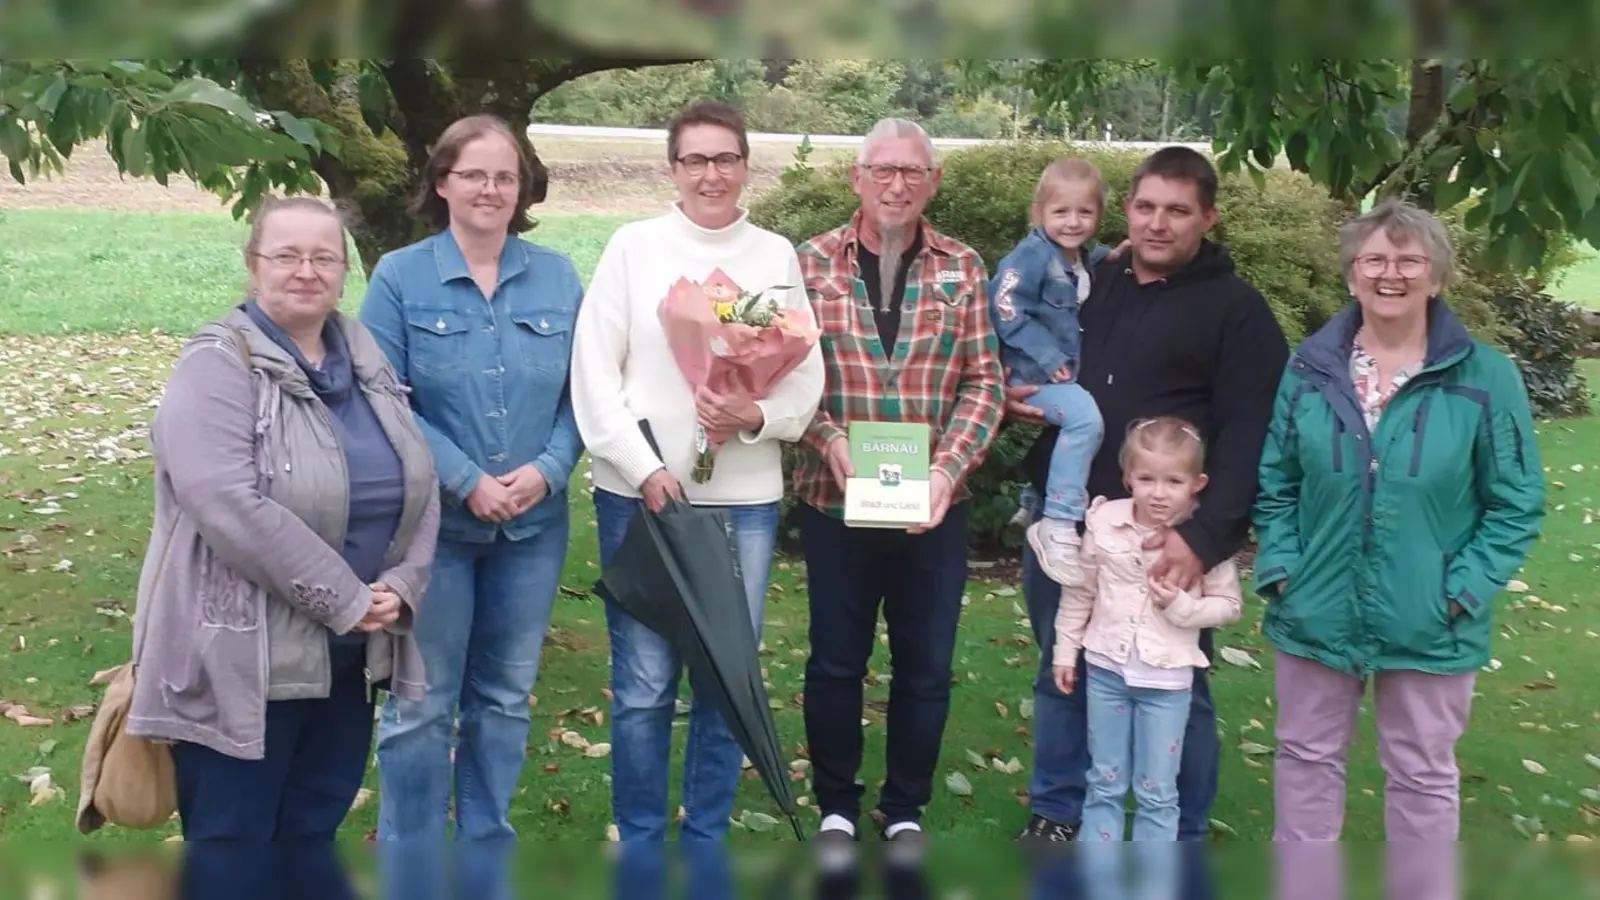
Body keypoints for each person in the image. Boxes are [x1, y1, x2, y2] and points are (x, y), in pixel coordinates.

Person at [123, 196, 439, 879]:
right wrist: (345, 599)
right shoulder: (218, 363)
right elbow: (225, 502)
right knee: (233, 845)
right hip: (240, 661)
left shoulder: (364, 356)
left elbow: (419, 475)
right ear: (253, 265)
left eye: (324, 256)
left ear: (345, 270)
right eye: (287, 255)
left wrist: (402, 585)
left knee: (309, 837)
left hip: (345, 662)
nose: (306, 271)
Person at [1008, 146, 1289, 843]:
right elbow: (1029, 338)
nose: (1158, 224)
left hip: (1164, 535)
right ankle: (1058, 812)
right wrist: (1020, 394)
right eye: (1145, 207)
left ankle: (1181, 833)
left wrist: (1204, 539)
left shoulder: (1238, 312)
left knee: (1177, 683)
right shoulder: (1092, 282)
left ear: (1208, 218)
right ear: (1126, 210)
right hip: (1071, 521)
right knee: (1064, 665)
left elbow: (1251, 436)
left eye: (1177, 211)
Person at [569, 99, 825, 843]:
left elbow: (805, 379)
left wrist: (753, 415)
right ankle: (641, 841)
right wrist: (644, 468)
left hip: (744, 502)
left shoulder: (774, 256)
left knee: (725, 680)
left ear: (745, 165)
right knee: (645, 686)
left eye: (726, 159)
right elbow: (594, 373)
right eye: (695, 160)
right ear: (673, 169)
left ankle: (705, 838)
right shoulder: (633, 247)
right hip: (643, 500)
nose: (711, 174)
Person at [1253, 200, 1544, 849]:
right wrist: (1282, 568)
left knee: (1422, 776)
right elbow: (1276, 481)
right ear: (1351, 274)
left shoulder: (1486, 376)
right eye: (1375, 259)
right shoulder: (1308, 369)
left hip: (1431, 616)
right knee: (1305, 760)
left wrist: (1461, 590)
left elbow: (1516, 503)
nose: (1391, 274)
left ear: (1436, 276)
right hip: (1315, 605)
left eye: (1410, 260)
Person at [360, 114, 586, 844]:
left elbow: (585, 396)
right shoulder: (400, 277)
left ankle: (484, 847)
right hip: (434, 533)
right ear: (442, 182)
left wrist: (550, 470)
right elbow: (383, 398)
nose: (491, 189)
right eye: (475, 174)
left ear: (521, 189)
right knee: (421, 703)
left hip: (533, 531)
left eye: (505, 176)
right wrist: (465, 478)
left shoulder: (557, 276)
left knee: (506, 699)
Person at [793, 117, 1005, 843]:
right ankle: (836, 805)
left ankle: (904, 808)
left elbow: (984, 383)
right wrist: (826, 438)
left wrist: (947, 470)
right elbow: (784, 376)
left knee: (927, 667)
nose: (896, 184)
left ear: (933, 182)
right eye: (882, 169)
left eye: (912, 171)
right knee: (835, 662)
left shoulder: (962, 267)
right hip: (835, 502)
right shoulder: (810, 264)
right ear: (857, 177)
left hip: (933, 509)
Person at [1053, 417, 1243, 845]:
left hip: (1167, 682)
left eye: (1173, 481)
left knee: (1157, 790)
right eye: (1146, 479)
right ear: (1128, 477)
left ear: (1197, 483)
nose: (1158, 493)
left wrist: (1182, 607)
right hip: (1105, 671)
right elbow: (1080, 591)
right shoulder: (1104, 521)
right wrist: (1065, 652)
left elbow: (1229, 606)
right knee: (1104, 779)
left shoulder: (1203, 538)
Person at [988, 156, 1110, 585]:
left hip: (1060, 371)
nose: (1073, 222)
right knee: (1085, 421)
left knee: (1069, 429)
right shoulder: (1031, 257)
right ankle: (1058, 521)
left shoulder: (1078, 258)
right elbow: (1005, 307)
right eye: (1061, 211)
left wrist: (1113, 255)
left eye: (1085, 212)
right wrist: (1048, 356)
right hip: (1030, 373)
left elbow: (1086, 278)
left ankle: (1032, 498)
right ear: (1039, 212)